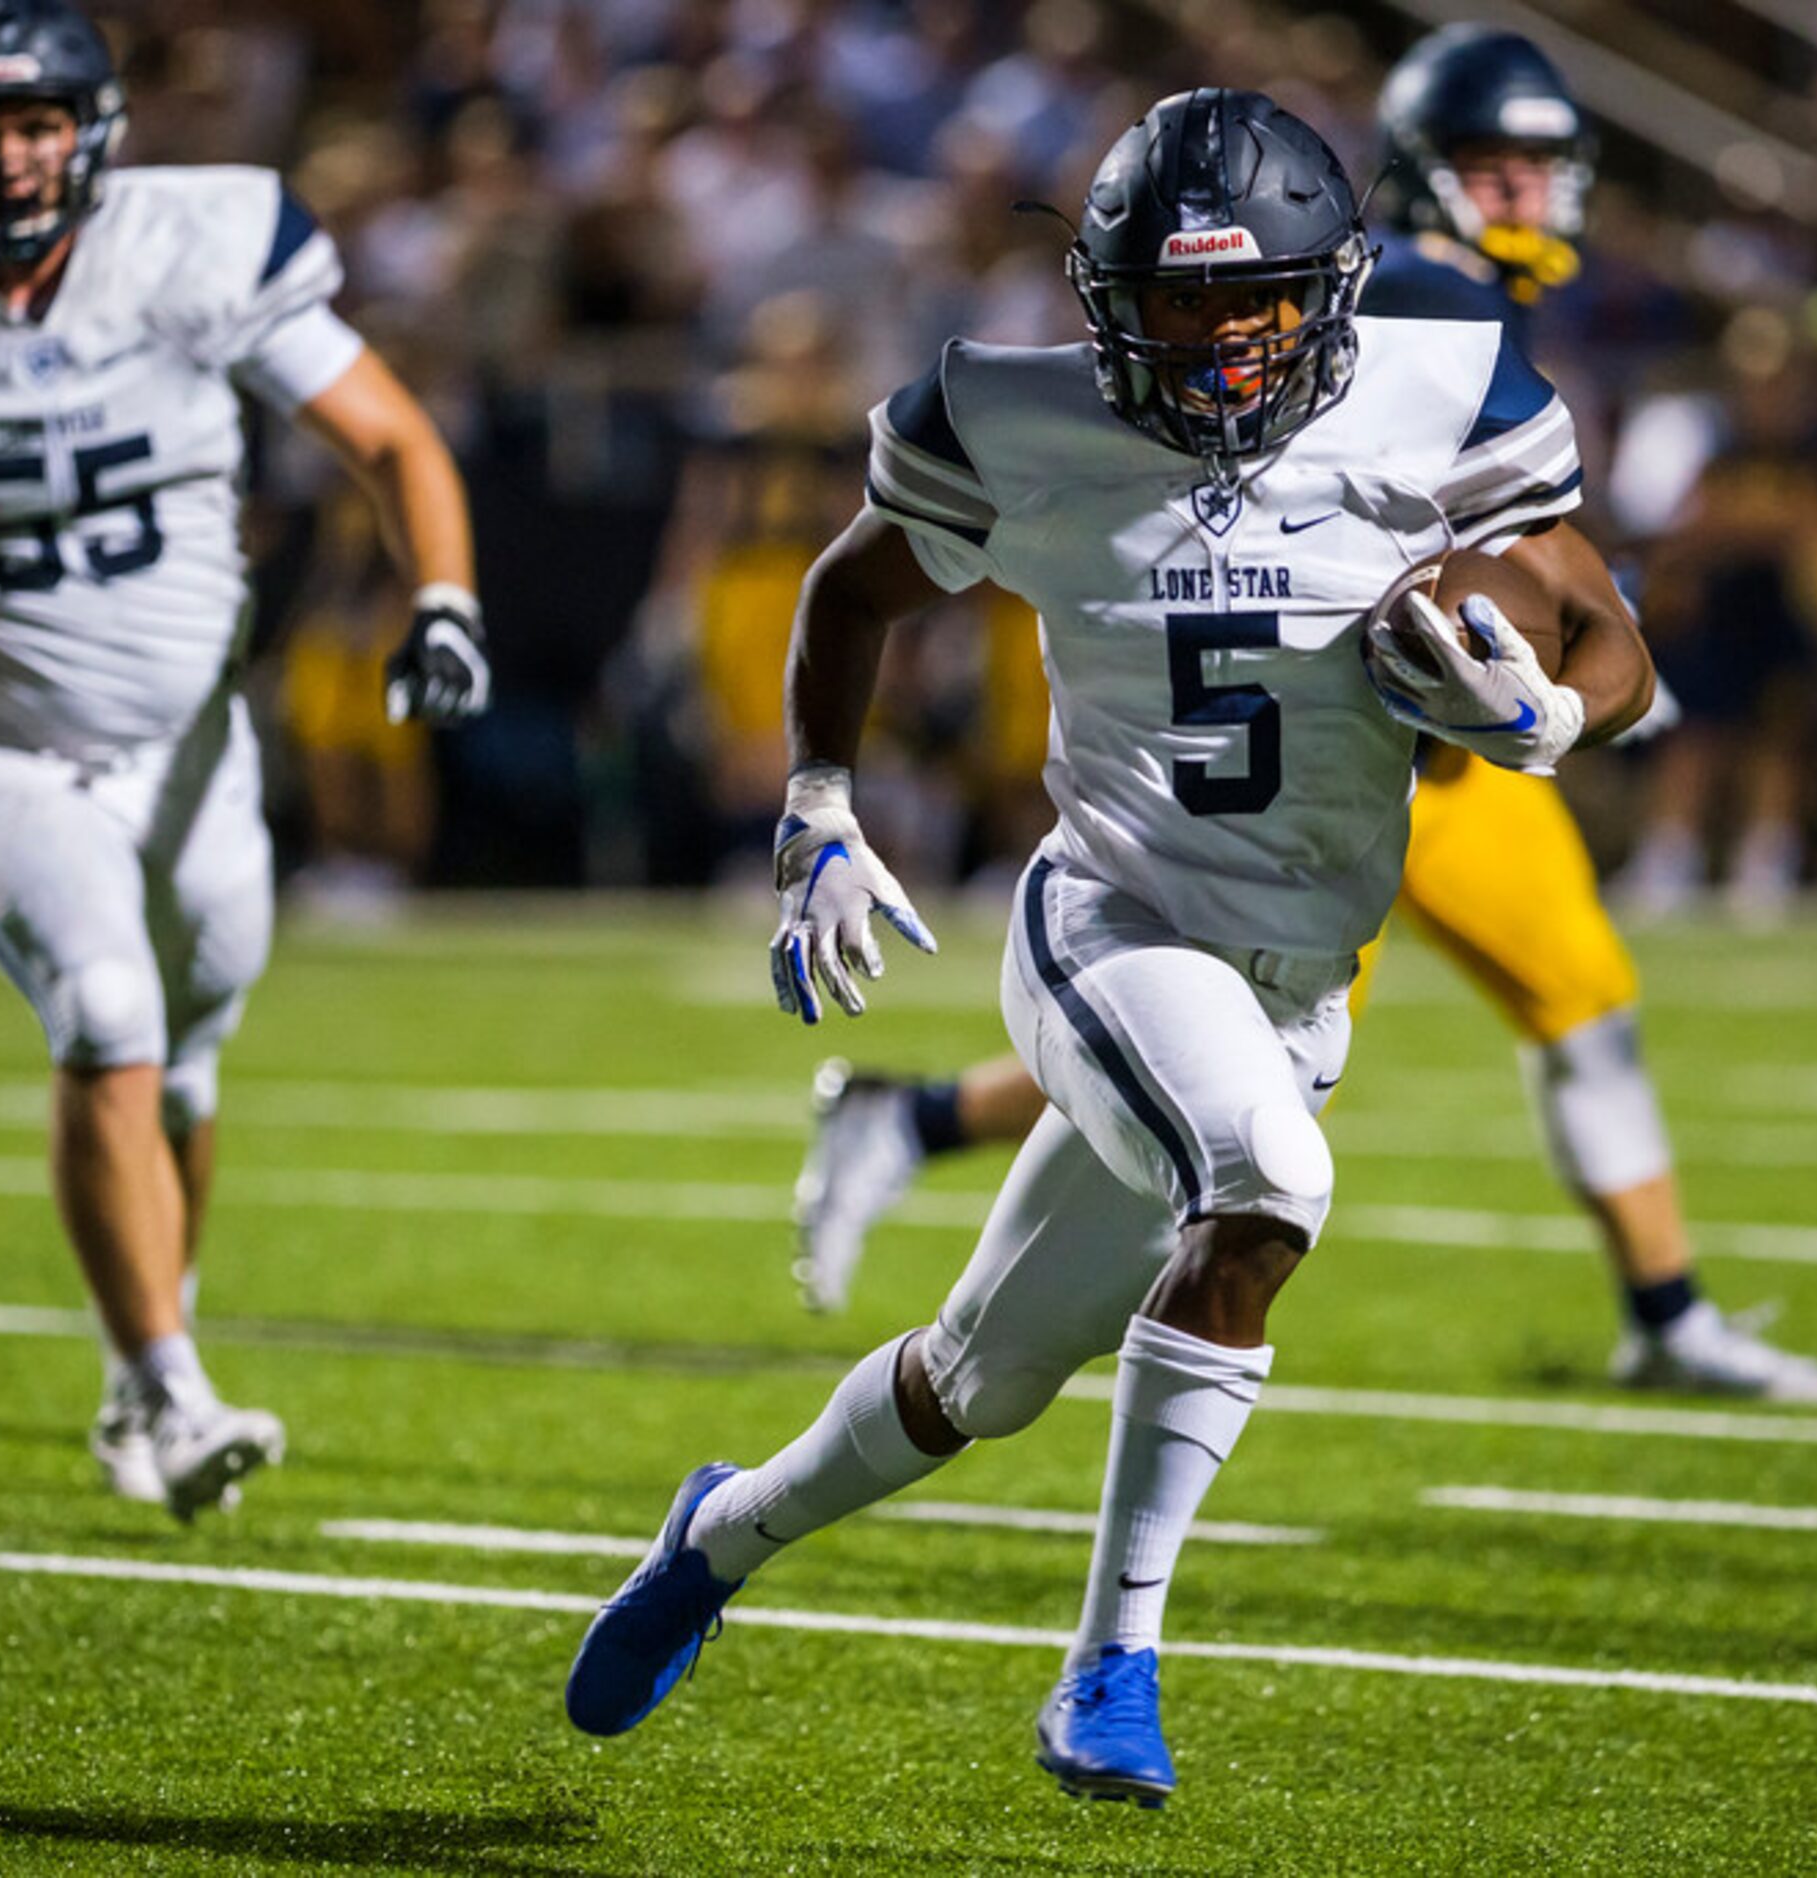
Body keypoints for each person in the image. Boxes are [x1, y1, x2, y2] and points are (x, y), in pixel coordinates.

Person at [567, 86, 1654, 1805]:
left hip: (1298, 975)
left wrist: (1552, 721)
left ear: (1332, 291)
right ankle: (1111, 1667)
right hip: (1116, 917)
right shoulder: (1011, 416)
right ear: (1103, 300)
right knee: (1264, 1188)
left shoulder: (1441, 386)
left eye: (1255, 303)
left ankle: (722, 1530)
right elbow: (852, 589)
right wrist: (821, 801)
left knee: (973, 1380)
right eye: (1176, 303)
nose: (1218, 342)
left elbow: (1607, 628)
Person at [785, 25, 1817, 1408]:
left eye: (1544, 169)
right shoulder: (1366, 304)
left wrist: (1564, 665)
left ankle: (1668, 1307)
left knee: (1558, 999)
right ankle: (916, 1124)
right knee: (1235, 1070)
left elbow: (1526, 557)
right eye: (1500, 170)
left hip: (1437, 755)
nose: (1534, 196)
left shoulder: (1454, 314)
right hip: (1324, 753)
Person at [0, 0, 491, 1520]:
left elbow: (394, 438)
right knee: (106, 1008)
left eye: (33, 127)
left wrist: (444, 600)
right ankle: (168, 1384)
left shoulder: (192, 246)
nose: (11, 159)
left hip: (195, 744)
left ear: (89, 132)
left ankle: (148, 1359)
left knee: (187, 1061)